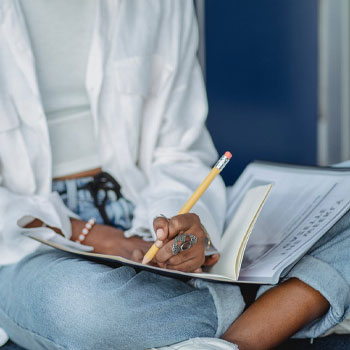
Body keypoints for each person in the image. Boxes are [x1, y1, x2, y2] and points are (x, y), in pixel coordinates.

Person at [0, 1, 349, 350]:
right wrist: (90, 234)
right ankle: (272, 309)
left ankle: (232, 331)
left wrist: (179, 224)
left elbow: (180, 152)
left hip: (144, 205)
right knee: (84, 309)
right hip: (26, 242)